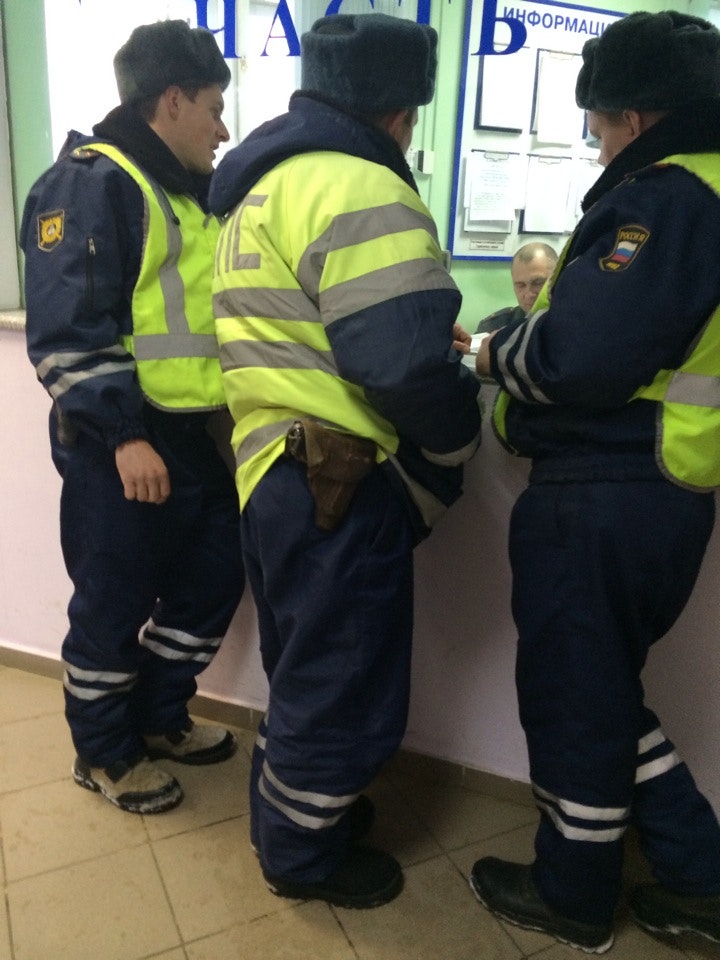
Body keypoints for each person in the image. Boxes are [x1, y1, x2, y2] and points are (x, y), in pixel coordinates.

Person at [209, 13, 482, 909]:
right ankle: (301, 856)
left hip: (271, 471)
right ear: (401, 112)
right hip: (341, 479)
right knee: (342, 679)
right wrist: (455, 442)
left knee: (304, 668)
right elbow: (402, 365)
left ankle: (293, 818)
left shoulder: (260, 186)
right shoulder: (363, 185)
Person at [467, 10, 720, 953]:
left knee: (575, 695)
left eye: (600, 124)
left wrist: (491, 355)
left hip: (606, 486)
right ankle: (698, 877)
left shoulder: (669, 198)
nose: (596, 142)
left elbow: (578, 355)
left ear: (637, 116)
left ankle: (572, 895)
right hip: (666, 484)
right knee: (602, 687)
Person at [20, 20, 245, 815]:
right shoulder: (92, 181)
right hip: (122, 443)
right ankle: (105, 754)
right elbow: (66, 332)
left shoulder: (185, 192)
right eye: (214, 108)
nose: (223, 129)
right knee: (111, 606)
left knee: (215, 576)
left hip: (190, 437)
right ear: (172, 100)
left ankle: (157, 716)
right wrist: (124, 435)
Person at [475, 242, 558, 334]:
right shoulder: (493, 327)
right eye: (521, 285)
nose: (529, 294)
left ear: (558, 278)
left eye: (538, 283)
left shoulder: (570, 324)